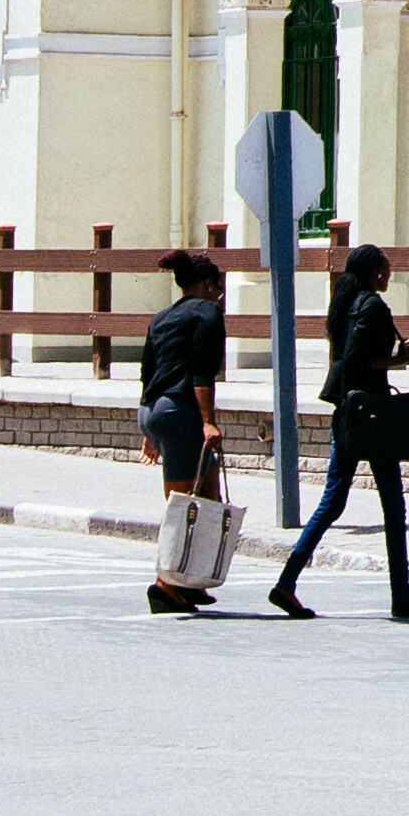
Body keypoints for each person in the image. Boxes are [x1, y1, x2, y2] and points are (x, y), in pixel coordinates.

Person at [268, 239, 409, 624]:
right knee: (392, 506)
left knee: (333, 502)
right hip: (372, 418)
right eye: (385, 270)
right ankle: (401, 596)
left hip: (349, 413)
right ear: (375, 272)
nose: (388, 275)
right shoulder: (371, 305)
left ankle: (288, 581)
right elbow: (356, 361)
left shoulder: (346, 305)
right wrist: (399, 359)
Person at [139, 249, 231, 615]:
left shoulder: (162, 317)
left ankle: (190, 580)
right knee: (182, 506)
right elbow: (201, 372)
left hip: (153, 409)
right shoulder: (209, 312)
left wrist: (150, 430)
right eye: (218, 286)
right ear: (207, 284)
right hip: (181, 413)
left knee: (208, 496)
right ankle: (164, 586)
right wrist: (208, 420)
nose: (219, 293)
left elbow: (149, 371)